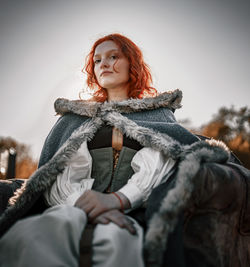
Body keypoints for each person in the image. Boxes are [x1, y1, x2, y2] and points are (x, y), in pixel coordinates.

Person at [0, 33, 201, 267]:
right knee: (33, 235)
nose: (103, 64)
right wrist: (86, 206)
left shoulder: (158, 114)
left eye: (113, 56)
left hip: (133, 212)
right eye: (97, 60)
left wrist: (118, 200)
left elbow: (163, 165)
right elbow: (52, 176)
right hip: (71, 207)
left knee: (116, 240)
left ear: (132, 64)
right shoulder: (74, 118)